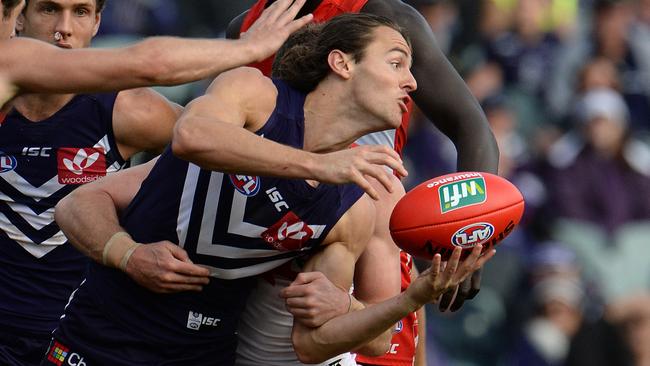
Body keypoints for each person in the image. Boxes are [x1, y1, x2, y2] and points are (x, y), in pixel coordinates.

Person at [50, 13, 494, 366]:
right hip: (101, 336)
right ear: (341, 63)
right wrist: (127, 253)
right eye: (396, 63)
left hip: (201, 353)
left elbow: (315, 345)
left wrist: (400, 299)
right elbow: (192, 136)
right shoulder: (256, 95)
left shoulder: (355, 205)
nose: (412, 83)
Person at [227, 1, 499, 365]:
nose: (410, 82)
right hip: (264, 246)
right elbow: (204, 137)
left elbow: (473, 128)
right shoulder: (244, 31)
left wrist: (471, 235)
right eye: (395, 65)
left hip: (368, 240)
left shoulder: (389, 19)